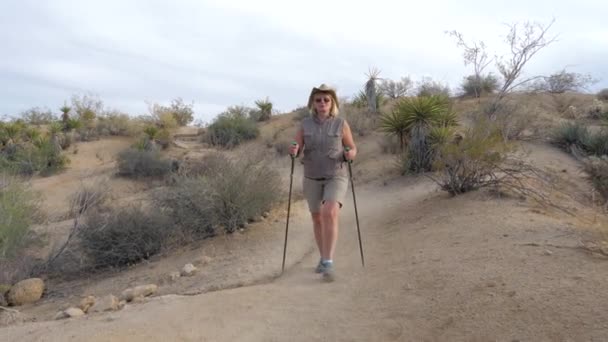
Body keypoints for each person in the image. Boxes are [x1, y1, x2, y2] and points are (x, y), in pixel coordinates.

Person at [289, 83, 357, 282]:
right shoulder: (304, 125)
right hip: (311, 176)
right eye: (318, 100)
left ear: (332, 102)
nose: (322, 103)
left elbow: (352, 147)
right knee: (317, 218)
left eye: (326, 100)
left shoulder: (341, 124)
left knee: (330, 212)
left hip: (336, 175)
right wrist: (293, 150)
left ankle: (328, 261)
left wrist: (350, 154)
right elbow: (297, 146)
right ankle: (323, 257)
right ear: (313, 103)